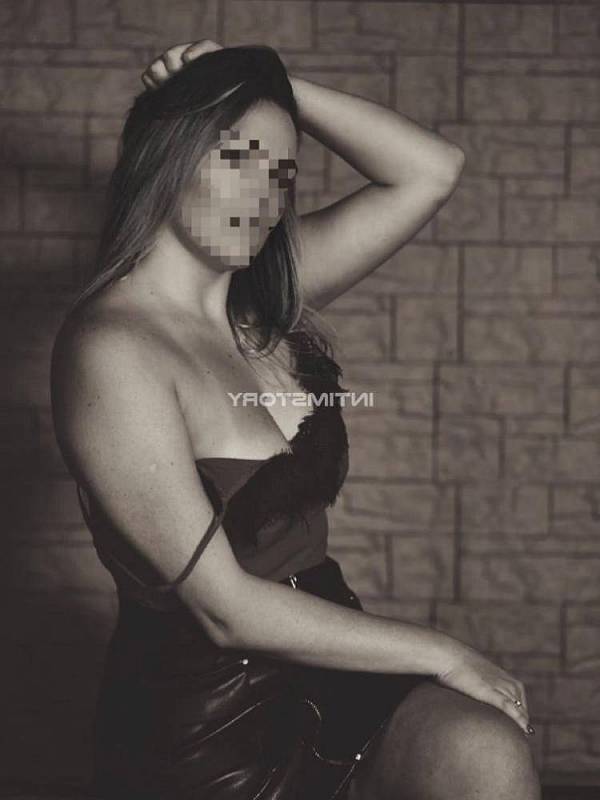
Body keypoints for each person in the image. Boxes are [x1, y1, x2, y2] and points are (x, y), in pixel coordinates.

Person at [50, 40, 541, 800]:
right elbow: (224, 609)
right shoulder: (111, 350)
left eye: (282, 173)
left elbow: (430, 168)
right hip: (207, 717)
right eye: (238, 158)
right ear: (169, 153)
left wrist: (270, 85)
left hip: (332, 660)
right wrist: (444, 653)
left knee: (486, 752)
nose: (266, 195)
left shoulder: (265, 304)